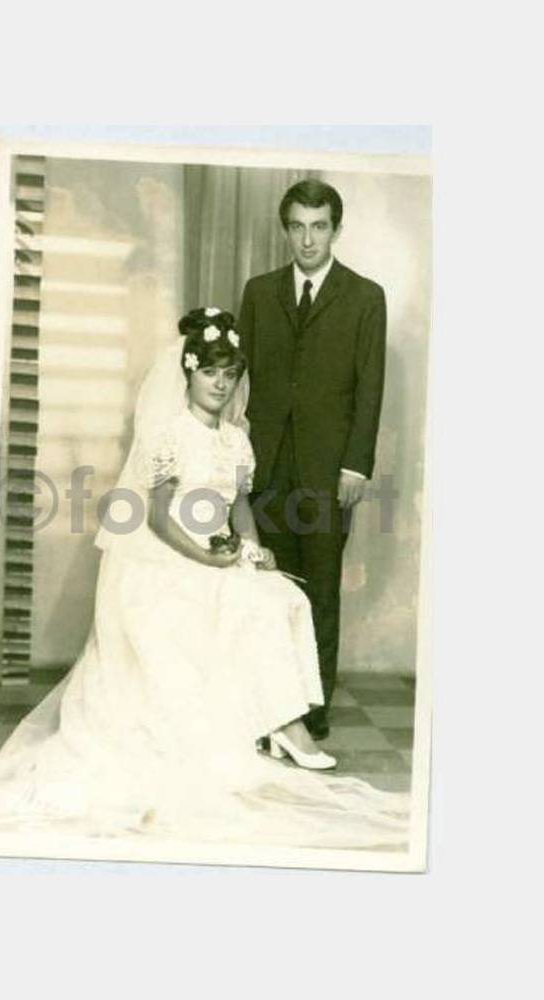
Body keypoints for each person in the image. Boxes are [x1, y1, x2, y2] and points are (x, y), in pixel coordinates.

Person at [0, 308, 407, 849]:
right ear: (189, 372)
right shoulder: (169, 435)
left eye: (229, 374)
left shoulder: (236, 439)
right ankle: (281, 727)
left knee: (282, 597)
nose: (220, 384)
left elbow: (239, 506)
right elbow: (158, 517)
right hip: (166, 555)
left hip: (216, 549)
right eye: (210, 372)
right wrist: (204, 558)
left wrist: (253, 547)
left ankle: (279, 720)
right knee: (228, 605)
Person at [237, 180, 387, 741]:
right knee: (266, 591)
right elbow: (241, 381)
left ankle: (312, 711)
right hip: (267, 466)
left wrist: (356, 466)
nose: (308, 239)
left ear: (335, 230)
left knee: (319, 592)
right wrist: (236, 460)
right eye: (298, 227)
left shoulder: (365, 297)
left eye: (319, 227)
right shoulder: (260, 292)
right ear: (285, 230)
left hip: (328, 472)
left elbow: (370, 387)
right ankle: (267, 711)